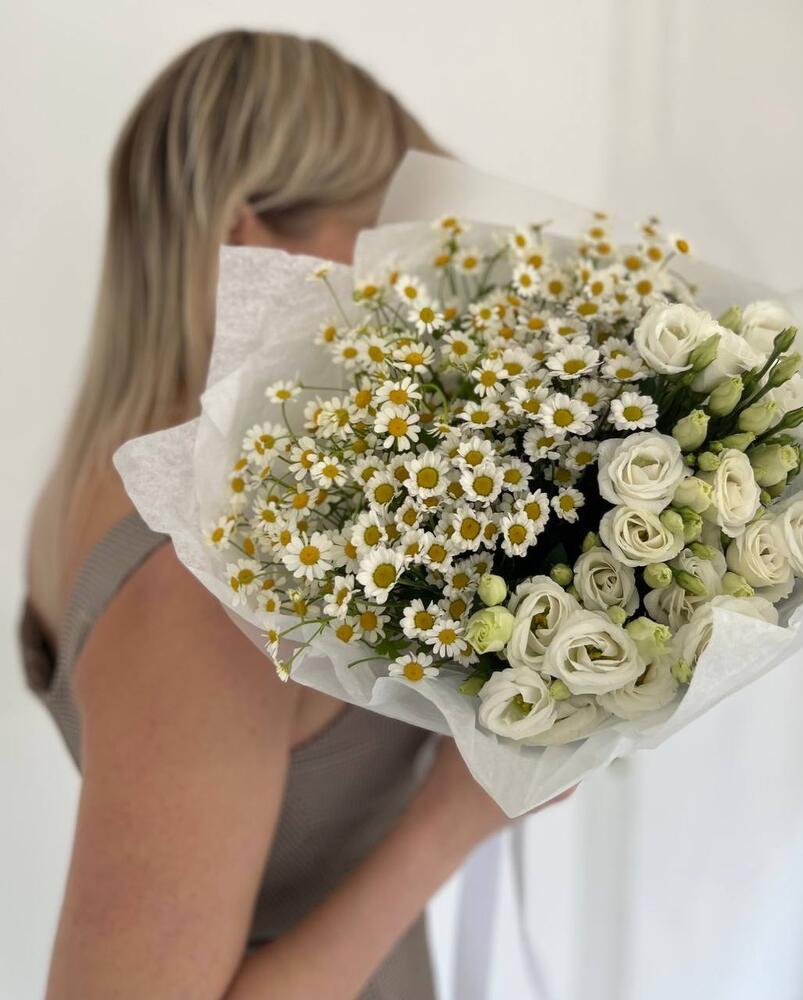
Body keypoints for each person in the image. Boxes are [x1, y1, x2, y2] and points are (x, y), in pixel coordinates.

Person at [19, 29, 567, 999]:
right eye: (382, 235)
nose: (409, 283)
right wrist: (454, 820)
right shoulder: (200, 582)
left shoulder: (114, 484)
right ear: (247, 235)